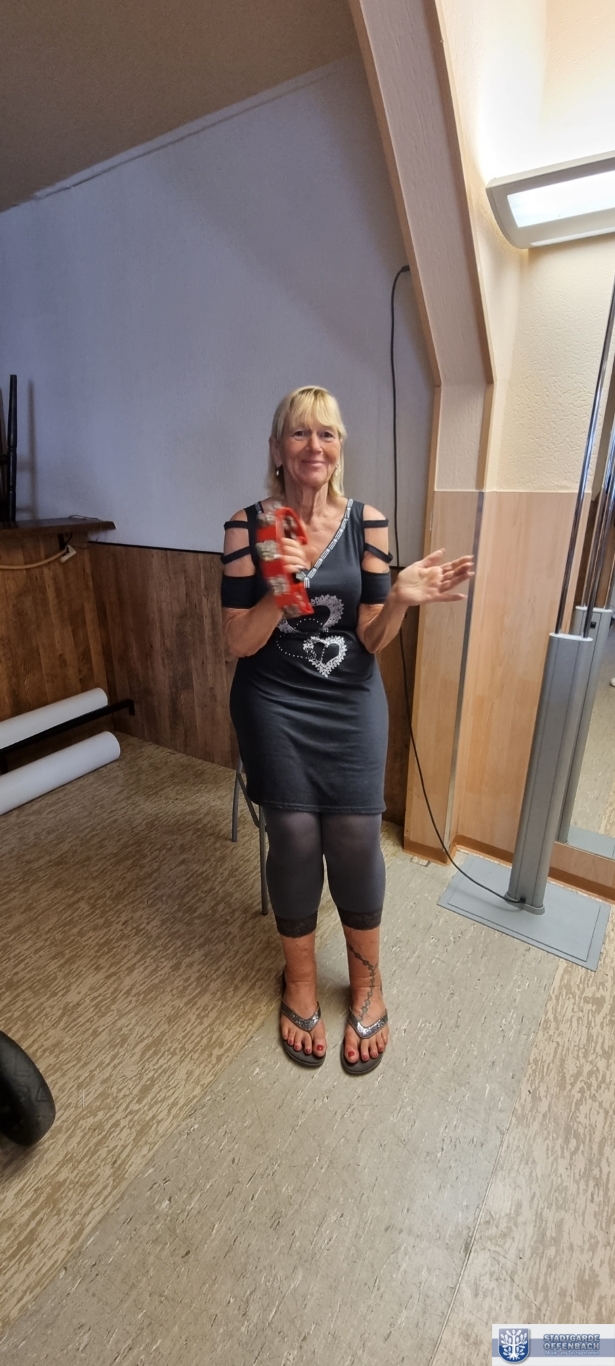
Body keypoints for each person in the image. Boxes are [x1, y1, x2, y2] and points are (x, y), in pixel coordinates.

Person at [221, 386, 473, 1074]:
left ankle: (367, 984)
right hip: (273, 699)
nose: (314, 446)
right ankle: (300, 981)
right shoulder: (249, 526)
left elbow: (370, 639)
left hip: (349, 699)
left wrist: (399, 601)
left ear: (340, 448)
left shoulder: (369, 522)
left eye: (327, 434)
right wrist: (280, 593)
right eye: (300, 433)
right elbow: (238, 642)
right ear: (277, 448)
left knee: (357, 834)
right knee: (296, 833)